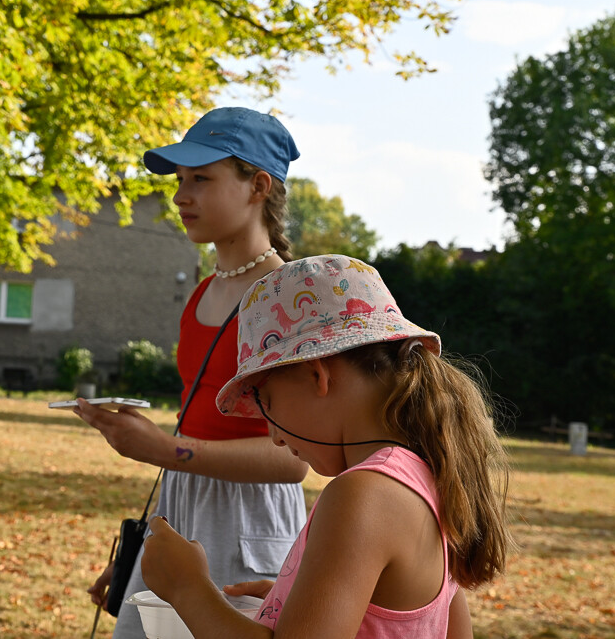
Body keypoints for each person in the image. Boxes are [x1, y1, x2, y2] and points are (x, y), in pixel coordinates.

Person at [140, 255, 515, 638]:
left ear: (313, 374)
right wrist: (294, 603)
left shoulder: (363, 494)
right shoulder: (430, 478)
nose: (275, 436)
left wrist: (189, 589)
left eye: (265, 402)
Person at [76, 107, 310, 639]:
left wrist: (165, 449)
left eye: (201, 179)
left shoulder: (287, 297)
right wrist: (142, 550)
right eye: (180, 181)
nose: (182, 196)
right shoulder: (204, 293)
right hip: (181, 509)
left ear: (258, 186)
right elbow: (196, 427)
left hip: (250, 528)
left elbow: (293, 461)